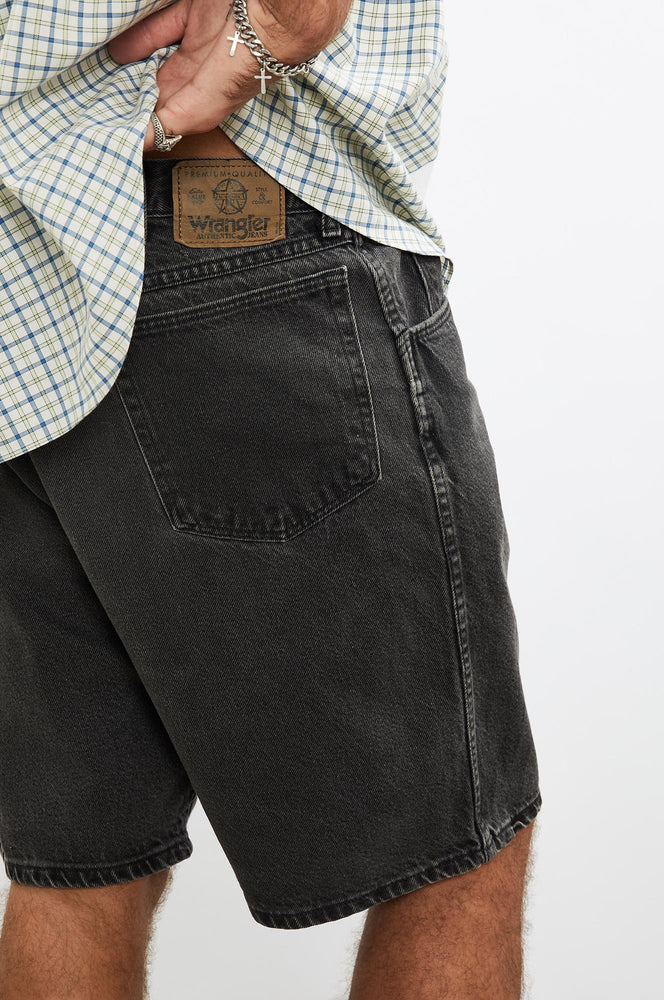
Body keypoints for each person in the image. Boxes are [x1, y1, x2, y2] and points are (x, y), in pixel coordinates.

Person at [0, 1, 543, 997]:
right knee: (456, 843)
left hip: (20, 297)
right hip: (231, 227)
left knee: (77, 870)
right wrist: (272, 31)